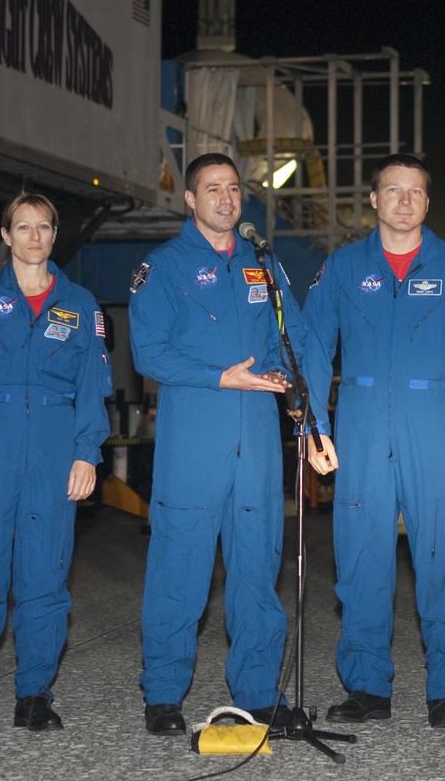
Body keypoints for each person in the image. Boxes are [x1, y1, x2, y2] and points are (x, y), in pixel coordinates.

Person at [304, 153, 445, 729]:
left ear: (428, 201)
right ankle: (367, 688)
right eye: (393, 190)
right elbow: (314, 348)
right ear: (373, 199)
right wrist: (314, 425)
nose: (404, 201)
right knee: (362, 559)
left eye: (416, 191)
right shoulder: (342, 269)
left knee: (443, 559)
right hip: (363, 429)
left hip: (437, 431)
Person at [128, 153, 303, 735]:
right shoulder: (165, 267)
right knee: (180, 571)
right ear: (190, 199)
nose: (226, 199)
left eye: (233, 189)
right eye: (212, 189)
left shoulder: (262, 263)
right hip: (193, 442)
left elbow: (287, 337)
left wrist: (286, 377)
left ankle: (257, 693)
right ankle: (163, 696)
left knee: (257, 568)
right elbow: (147, 352)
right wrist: (218, 375)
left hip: (255, 441)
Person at [0, 193, 112, 734]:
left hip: (53, 451)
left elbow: (93, 387)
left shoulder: (81, 304)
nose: (34, 237)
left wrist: (88, 453)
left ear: (54, 235)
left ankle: (34, 695)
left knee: (45, 581)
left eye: (43, 227)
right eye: (23, 227)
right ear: (5, 235)